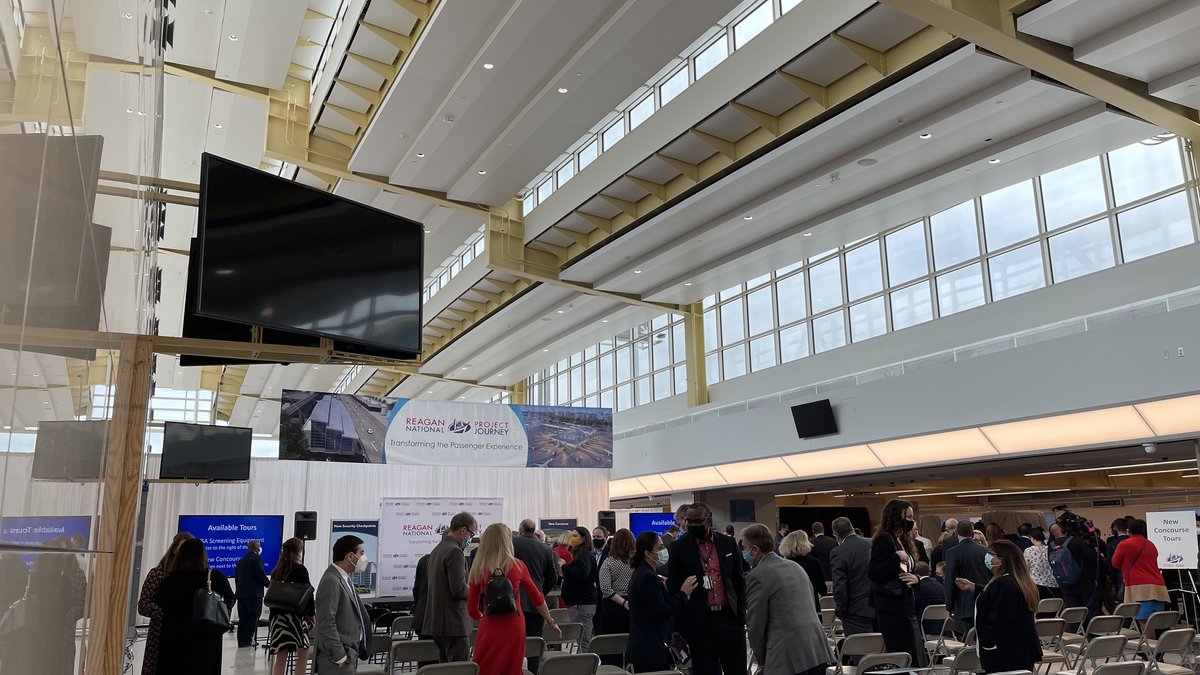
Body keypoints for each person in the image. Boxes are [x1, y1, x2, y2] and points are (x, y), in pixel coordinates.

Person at [467, 523, 561, 675]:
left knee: (485, 666)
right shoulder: (518, 566)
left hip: (489, 625)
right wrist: (551, 622)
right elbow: (537, 598)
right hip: (515, 625)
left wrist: (482, 618)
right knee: (512, 668)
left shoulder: (479, 568)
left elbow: (471, 609)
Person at [668, 502, 746, 675]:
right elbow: (673, 587)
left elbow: (738, 580)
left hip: (730, 618)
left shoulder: (728, 543)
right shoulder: (678, 548)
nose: (693, 525)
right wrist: (680, 628)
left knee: (737, 669)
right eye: (690, 521)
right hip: (700, 622)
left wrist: (741, 614)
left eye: (698, 521)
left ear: (709, 520)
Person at [742, 524, 831, 675]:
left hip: (787, 656)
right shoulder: (795, 567)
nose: (743, 552)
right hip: (816, 650)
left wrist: (762, 662)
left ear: (755, 549)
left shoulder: (757, 575)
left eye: (744, 547)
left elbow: (756, 625)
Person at [155, 538, 235, 675]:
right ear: (203, 555)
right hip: (206, 638)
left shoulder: (170, 580)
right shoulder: (214, 577)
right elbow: (230, 600)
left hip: (174, 639)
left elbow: (160, 601)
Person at [960, 540, 1042, 674]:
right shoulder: (1019, 581)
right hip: (1020, 647)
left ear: (1002, 560)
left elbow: (1001, 616)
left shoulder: (1003, 584)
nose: (987, 556)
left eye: (991, 554)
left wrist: (986, 641)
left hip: (1005, 651)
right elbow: (1001, 599)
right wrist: (976, 588)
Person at [626, 531, 698, 672]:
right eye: (659, 548)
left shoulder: (645, 573)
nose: (664, 551)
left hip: (647, 645)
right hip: (650, 647)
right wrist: (683, 593)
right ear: (647, 553)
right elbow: (662, 610)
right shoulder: (647, 577)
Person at [868, 499, 927, 667]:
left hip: (905, 603)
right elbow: (874, 572)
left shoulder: (902, 539)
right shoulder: (884, 539)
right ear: (896, 516)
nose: (911, 521)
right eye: (907, 517)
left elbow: (909, 569)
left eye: (911, 517)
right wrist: (896, 558)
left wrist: (916, 578)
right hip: (892, 606)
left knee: (914, 651)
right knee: (904, 652)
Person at [137, 531, 193, 675]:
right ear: (174, 549)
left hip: (188, 636)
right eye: (183, 548)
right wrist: (162, 612)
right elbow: (143, 605)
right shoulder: (158, 573)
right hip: (161, 634)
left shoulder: (197, 576)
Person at [314, 536, 371, 675]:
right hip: (336, 660)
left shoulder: (345, 578)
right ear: (350, 556)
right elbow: (326, 621)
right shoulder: (331, 581)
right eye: (361, 553)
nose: (364, 558)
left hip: (350, 655)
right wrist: (339, 656)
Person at [425, 512, 476, 663]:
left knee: (446, 668)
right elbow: (459, 589)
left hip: (438, 622)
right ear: (463, 530)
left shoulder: (437, 550)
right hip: (454, 624)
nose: (470, 538)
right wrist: (477, 592)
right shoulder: (455, 551)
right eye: (471, 533)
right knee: (459, 669)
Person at [512, 518, 559, 672]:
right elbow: (553, 577)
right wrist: (540, 593)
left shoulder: (512, 545)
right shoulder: (546, 549)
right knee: (534, 647)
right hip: (536, 605)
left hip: (513, 603)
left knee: (513, 646)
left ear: (520, 530)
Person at [1111, 518, 1170, 633]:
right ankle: (1158, 648)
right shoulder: (1150, 544)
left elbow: (1115, 563)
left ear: (1128, 531)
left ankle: (1151, 650)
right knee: (1157, 622)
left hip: (1139, 587)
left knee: (1144, 621)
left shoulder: (1125, 544)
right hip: (1158, 585)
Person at [268, 538, 314, 675]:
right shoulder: (300, 569)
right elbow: (308, 594)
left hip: (278, 618)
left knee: (281, 657)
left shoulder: (277, 570)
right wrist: (312, 615)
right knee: (303, 654)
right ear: (299, 551)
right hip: (295, 619)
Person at [829, 516, 874, 636]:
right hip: (880, 606)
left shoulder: (838, 552)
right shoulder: (872, 543)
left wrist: (841, 610)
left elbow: (839, 585)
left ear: (835, 534)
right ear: (852, 528)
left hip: (855, 611)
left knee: (861, 651)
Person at [597, 528, 636, 665]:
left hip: (612, 608)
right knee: (630, 645)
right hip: (634, 606)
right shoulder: (637, 563)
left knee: (611, 647)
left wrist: (623, 603)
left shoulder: (608, 563)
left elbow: (606, 589)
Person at [1049, 521, 1100, 622]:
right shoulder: (1076, 541)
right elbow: (1093, 557)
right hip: (1084, 581)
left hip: (1065, 583)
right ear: (1063, 530)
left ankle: (1076, 633)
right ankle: (1094, 633)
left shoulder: (1051, 546)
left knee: (1073, 612)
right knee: (1090, 610)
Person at [945, 519, 989, 632]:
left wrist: (949, 606)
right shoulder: (985, 550)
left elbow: (950, 580)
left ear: (956, 534)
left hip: (965, 602)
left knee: (970, 638)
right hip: (985, 599)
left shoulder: (952, 552)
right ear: (973, 534)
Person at [560, 526, 599, 650]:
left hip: (582, 602)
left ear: (583, 538)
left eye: (575, 536)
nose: (572, 538)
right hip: (578, 602)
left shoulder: (585, 556)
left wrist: (564, 567)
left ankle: (584, 666)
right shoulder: (580, 555)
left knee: (582, 639)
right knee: (579, 638)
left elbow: (581, 574)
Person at [235, 539, 271, 648]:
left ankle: (241, 641)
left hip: (241, 595)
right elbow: (260, 574)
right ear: (257, 548)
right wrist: (269, 584)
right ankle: (247, 641)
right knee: (252, 618)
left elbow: (237, 578)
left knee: (243, 619)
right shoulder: (257, 559)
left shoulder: (241, 561)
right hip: (254, 595)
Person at [779, 530, 826, 611]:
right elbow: (823, 590)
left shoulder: (781, 565)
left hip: (788, 609)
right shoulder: (814, 563)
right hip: (810, 608)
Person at [1024, 527, 1060, 600]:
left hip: (1036, 584)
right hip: (1053, 583)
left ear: (1032, 538)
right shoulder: (1050, 549)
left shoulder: (1028, 551)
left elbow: (1026, 567)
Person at [913, 562, 944, 635]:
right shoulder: (941, 586)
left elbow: (913, 606)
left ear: (915, 574)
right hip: (942, 625)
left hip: (923, 625)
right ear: (929, 573)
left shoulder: (917, 587)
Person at [1106, 518, 1131, 601]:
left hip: (1119, 575)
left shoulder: (1111, 544)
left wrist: (1112, 578)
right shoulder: (1135, 542)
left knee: (1123, 599)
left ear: (1115, 528)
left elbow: (1110, 563)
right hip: (1136, 574)